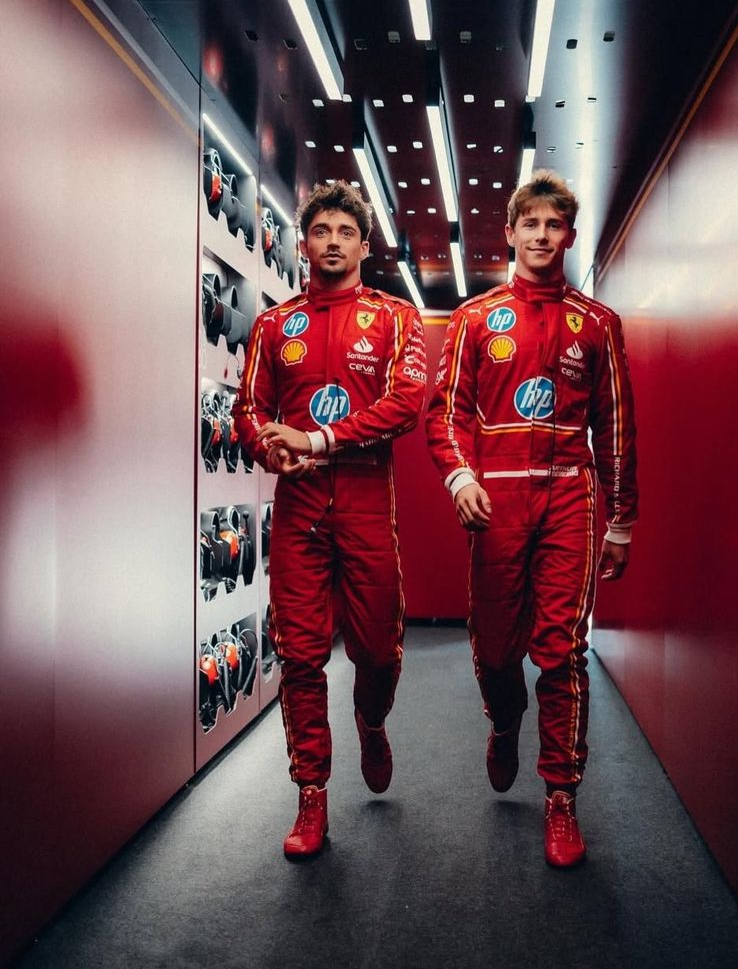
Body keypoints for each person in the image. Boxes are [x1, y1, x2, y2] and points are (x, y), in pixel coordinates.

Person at [426, 169, 637, 867]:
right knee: (495, 651)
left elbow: (616, 428)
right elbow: (445, 414)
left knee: (562, 650)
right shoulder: (474, 318)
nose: (543, 235)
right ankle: (505, 719)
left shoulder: (597, 323)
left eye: (555, 225)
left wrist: (621, 520)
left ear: (568, 236)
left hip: (569, 497)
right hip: (497, 502)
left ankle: (561, 796)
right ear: (510, 233)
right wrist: (460, 476)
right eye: (532, 224)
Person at [234, 180, 427, 858]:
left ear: (365, 246)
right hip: (300, 508)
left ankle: (371, 722)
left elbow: (407, 403)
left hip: (367, 499)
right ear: (304, 243)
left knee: (377, 650)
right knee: (300, 654)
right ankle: (310, 794)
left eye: (346, 232)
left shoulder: (395, 317)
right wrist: (270, 448)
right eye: (321, 231)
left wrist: (318, 439)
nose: (333, 242)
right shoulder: (273, 325)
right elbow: (248, 411)